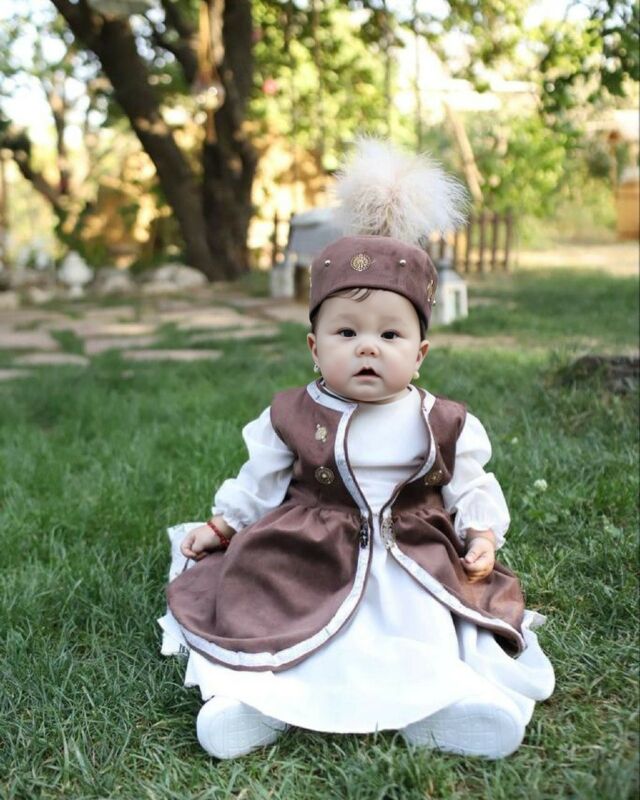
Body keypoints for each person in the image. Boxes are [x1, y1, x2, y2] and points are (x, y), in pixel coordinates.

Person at [158, 140, 555, 761]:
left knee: (426, 627)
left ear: (420, 353)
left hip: (412, 554)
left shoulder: (442, 421)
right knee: (270, 614)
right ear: (314, 347)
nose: (368, 347)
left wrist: (480, 533)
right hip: (309, 549)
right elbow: (260, 480)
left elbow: (471, 484)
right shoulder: (290, 415)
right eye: (346, 332)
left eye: (390, 334)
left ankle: (444, 704)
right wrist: (224, 524)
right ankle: (255, 701)